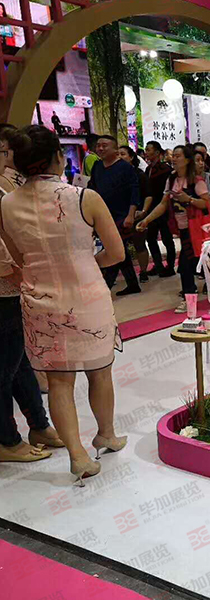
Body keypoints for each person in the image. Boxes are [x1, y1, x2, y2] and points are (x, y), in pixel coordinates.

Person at [0, 125, 127, 482]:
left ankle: (77, 455)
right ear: (58, 157)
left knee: (58, 382)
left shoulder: (6, 204)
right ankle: (106, 434)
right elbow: (116, 252)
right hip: (88, 297)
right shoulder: (85, 197)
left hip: (39, 300)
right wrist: (86, 264)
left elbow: (18, 258)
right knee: (100, 371)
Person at [0, 124, 63, 463]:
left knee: (20, 361)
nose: (8, 157)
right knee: (5, 368)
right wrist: (17, 269)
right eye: (5, 151)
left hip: (15, 289)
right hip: (5, 288)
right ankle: (7, 441)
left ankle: (38, 425)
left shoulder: (9, 186)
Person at [136, 145, 210, 313]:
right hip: (182, 229)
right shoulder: (171, 180)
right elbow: (163, 204)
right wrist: (147, 220)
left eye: (178, 156)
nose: (174, 159)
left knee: (185, 265)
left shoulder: (196, 181)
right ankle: (198, 294)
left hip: (197, 230)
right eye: (174, 156)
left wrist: (189, 199)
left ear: (187, 160)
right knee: (191, 265)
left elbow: (206, 203)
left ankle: (191, 299)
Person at [88, 135, 141, 296]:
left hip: (121, 216)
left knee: (113, 249)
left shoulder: (125, 167)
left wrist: (130, 215)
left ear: (115, 149)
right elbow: (92, 188)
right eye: (98, 145)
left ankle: (104, 288)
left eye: (104, 145)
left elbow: (134, 191)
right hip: (103, 215)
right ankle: (132, 284)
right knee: (120, 250)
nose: (100, 148)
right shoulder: (97, 166)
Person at [139, 141, 175, 277]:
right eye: (146, 150)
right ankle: (158, 265)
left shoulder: (165, 169)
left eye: (149, 150)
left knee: (167, 239)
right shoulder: (148, 169)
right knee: (151, 239)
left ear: (157, 152)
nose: (146, 152)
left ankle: (170, 266)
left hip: (164, 209)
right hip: (151, 210)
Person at [119, 145, 150, 284]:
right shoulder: (115, 175)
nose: (120, 157)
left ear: (131, 157)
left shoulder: (140, 175)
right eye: (118, 154)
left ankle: (143, 272)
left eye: (123, 154)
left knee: (139, 244)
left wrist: (143, 211)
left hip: (138, 215)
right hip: (120, 215)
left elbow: (148, 195)